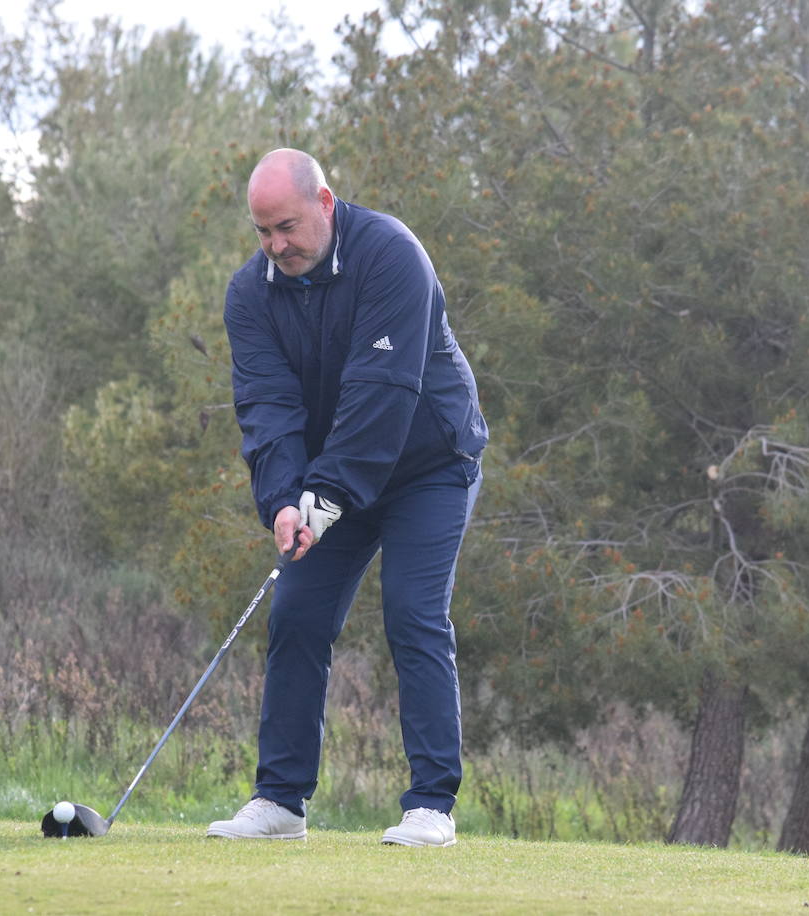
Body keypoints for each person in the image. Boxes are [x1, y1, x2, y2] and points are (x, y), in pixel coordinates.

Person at [207, 148, 487, 847]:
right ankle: (280, 801)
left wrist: (323, 494)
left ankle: (431, 807)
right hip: (337, 476)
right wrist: (282, 501)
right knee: (296, 615)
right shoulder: (251, 295)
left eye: (288, 227)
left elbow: (382, 394)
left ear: (325, 204)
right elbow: (267, 409)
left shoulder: (392, 255)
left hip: (430, 464)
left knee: (413, 614)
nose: (277, 245)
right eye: (264, 231)